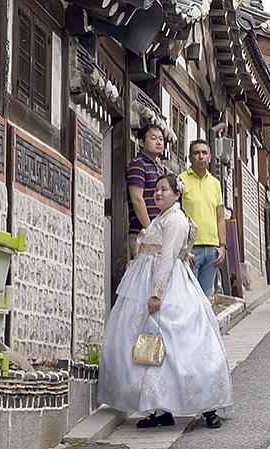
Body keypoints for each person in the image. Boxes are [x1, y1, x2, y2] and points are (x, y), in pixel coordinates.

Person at [99, 175, 233, 430]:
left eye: (164, 190)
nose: (158, 194)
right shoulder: (163, 217)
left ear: (176, 194)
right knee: (152, 346)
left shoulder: (175, 219)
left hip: (167, 284)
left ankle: (208, 406)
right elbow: (171, 250)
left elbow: (167, 259)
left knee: (182, 342)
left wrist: (156, 293)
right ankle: (161, 406)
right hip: (146, 277)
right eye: (156, 190)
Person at [178, 140, 227, 296]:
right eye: (196, 153)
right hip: (190, 249)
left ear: (210, 157)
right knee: (189, 297)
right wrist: (182, 249)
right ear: (190, 157)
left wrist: (222, 246)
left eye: (204, 153)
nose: (200, 156)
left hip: (212, 250)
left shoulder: (215, 184)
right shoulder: (180, 181)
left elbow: (220, 217)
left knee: (206, 298)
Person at [125, 126, 169, 239]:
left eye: (161, 139)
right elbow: (137, 199)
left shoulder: (159, 168)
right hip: (142, 233)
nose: (158, 142)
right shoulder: (138, 165)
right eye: (153, 138)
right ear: (141, 143)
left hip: (158, 233)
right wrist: (150, 230)